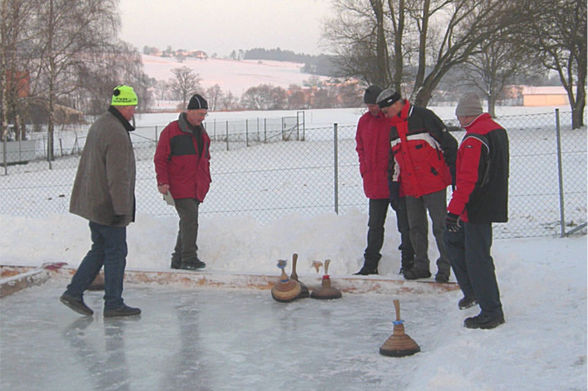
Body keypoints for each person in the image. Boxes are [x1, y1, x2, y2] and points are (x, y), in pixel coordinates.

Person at [60, 85, 141, 318]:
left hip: (95, 203)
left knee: (100, 249)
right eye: (133, 106)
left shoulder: (101, 124)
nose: (133, 111)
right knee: (116, 252)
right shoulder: (115, 131)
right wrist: (120, 209)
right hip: (108, 206)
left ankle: (74, 292)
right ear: (125, 105)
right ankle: (113, 303)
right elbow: (118, 175)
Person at [376, 89, 457, 282]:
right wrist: (394, 188)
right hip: (410, 187)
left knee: (440, 226)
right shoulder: (394, 128)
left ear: (395, 104)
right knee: (416, 228)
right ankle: (421, 265)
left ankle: (446, 266)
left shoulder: (424, 117)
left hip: (434, 183)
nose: (385, 116)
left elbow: (448, 145)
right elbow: (393, 162)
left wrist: (453, 175)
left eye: (386, 111)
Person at [444, 92, 509, 329]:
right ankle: (473, 293)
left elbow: (467, 179)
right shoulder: (496, 130)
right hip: (488, 202)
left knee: (477, 258)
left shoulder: (474, 138)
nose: (459, 121)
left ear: (466, 115)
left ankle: (491, 310)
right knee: (452, 240)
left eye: (460, 116)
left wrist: (454, 211)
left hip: (475, 207)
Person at [354, 85, 414, 275]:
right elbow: (360, 147)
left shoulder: (393, 120)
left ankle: (408, 263)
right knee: (374, 225)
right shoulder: (364, 122)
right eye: (369, 105)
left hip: (397, 181)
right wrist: (365, 170)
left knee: (405, 225)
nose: (372, 109)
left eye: (374, 105)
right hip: (374, 183)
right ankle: (370, 263)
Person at [154, 94, 211, 271]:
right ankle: (188, 258)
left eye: (204, 114)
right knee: (190, 219)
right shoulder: (171, 130)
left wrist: (205, 179)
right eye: (200, 114)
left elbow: (204, 158)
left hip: (196, 185)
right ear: (190, 111)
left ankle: (177, 258)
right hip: (179, 185)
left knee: (187, 221)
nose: (202, 118)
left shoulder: (201, 132)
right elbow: (160, 158)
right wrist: (162, 181)